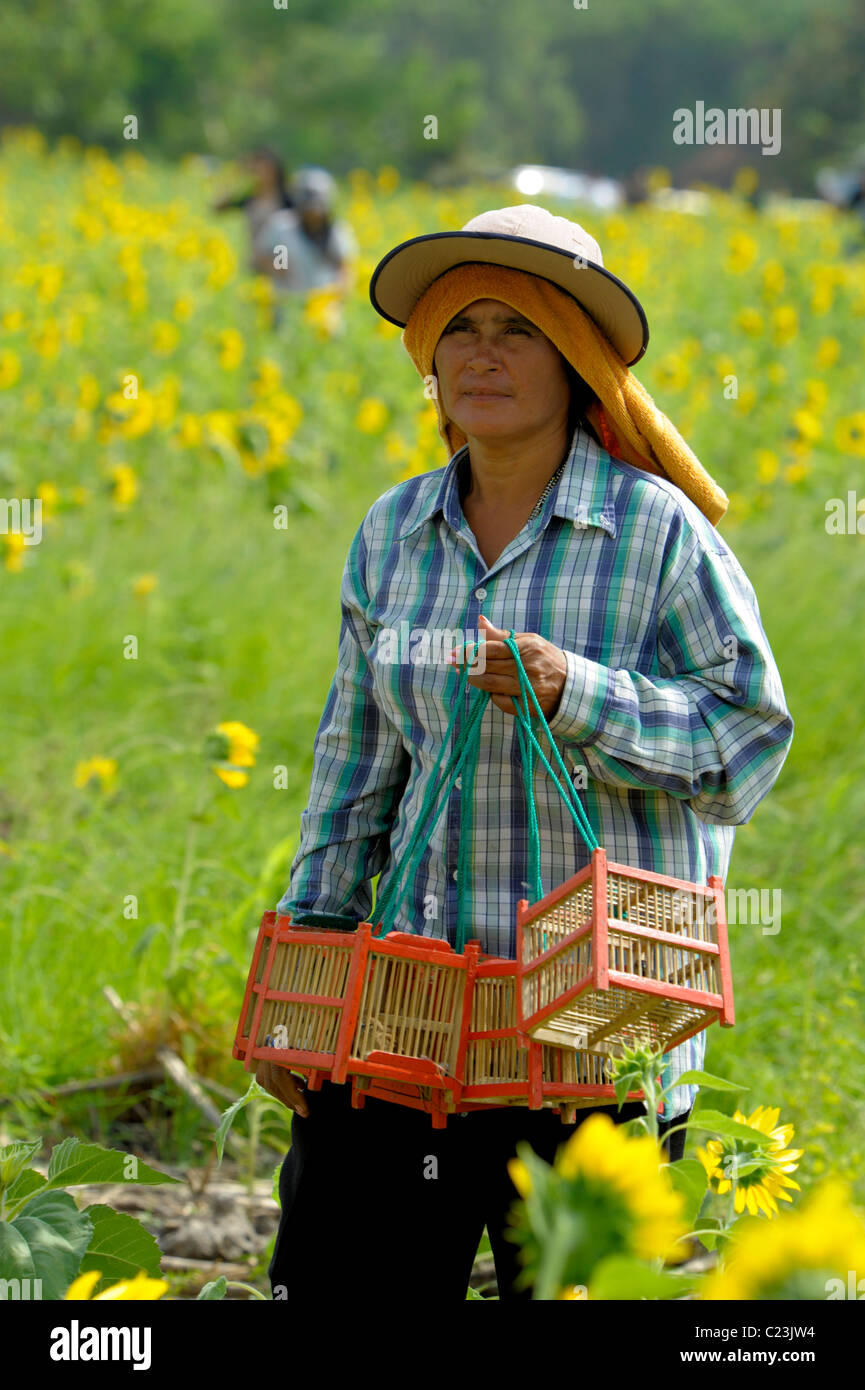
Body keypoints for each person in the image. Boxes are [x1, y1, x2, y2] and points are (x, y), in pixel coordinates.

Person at [256, 204, 794, 1300]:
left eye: (518, 331)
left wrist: (579, 694)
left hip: (605, 1032)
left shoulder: (656, 533)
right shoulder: (392, 532)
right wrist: (304, 965)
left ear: (577, 363)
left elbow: (747, 744)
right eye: (461, 330)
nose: (482, 355)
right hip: (409, 1020)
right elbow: (353, 767)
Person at [212, 147, 294, 277]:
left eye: (266, 169)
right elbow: (217, 209)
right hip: (254, 264)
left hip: (281, 267)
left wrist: (282, 268)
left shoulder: (287, 201)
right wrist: (234, 176)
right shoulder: (250, 200)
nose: (261, 173)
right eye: (257, 169)